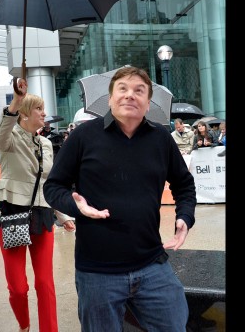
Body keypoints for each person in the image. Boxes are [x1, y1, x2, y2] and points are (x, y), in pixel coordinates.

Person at [43, 66, 196, 332]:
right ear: (110, 98)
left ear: (148, 103)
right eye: (122, 89)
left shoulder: (161, 139)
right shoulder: (83, 136)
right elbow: (54, 187)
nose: (130, 95)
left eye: (139, 91)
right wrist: (76, 205)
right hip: (97, 273)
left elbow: (184, 185)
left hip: (152, 265)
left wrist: (185, 216)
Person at [0, 77, 76, 332]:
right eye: (39, 109)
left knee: (45, 283)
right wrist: (16, 100)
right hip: (12, 214)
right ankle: (25, 324)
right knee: (18, 287)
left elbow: (47, 184)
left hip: (41, 214)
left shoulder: (46, 143)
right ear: (25, 114)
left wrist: (62, 216)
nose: (44, 113)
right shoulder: (9, 139)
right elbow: (0, 133)